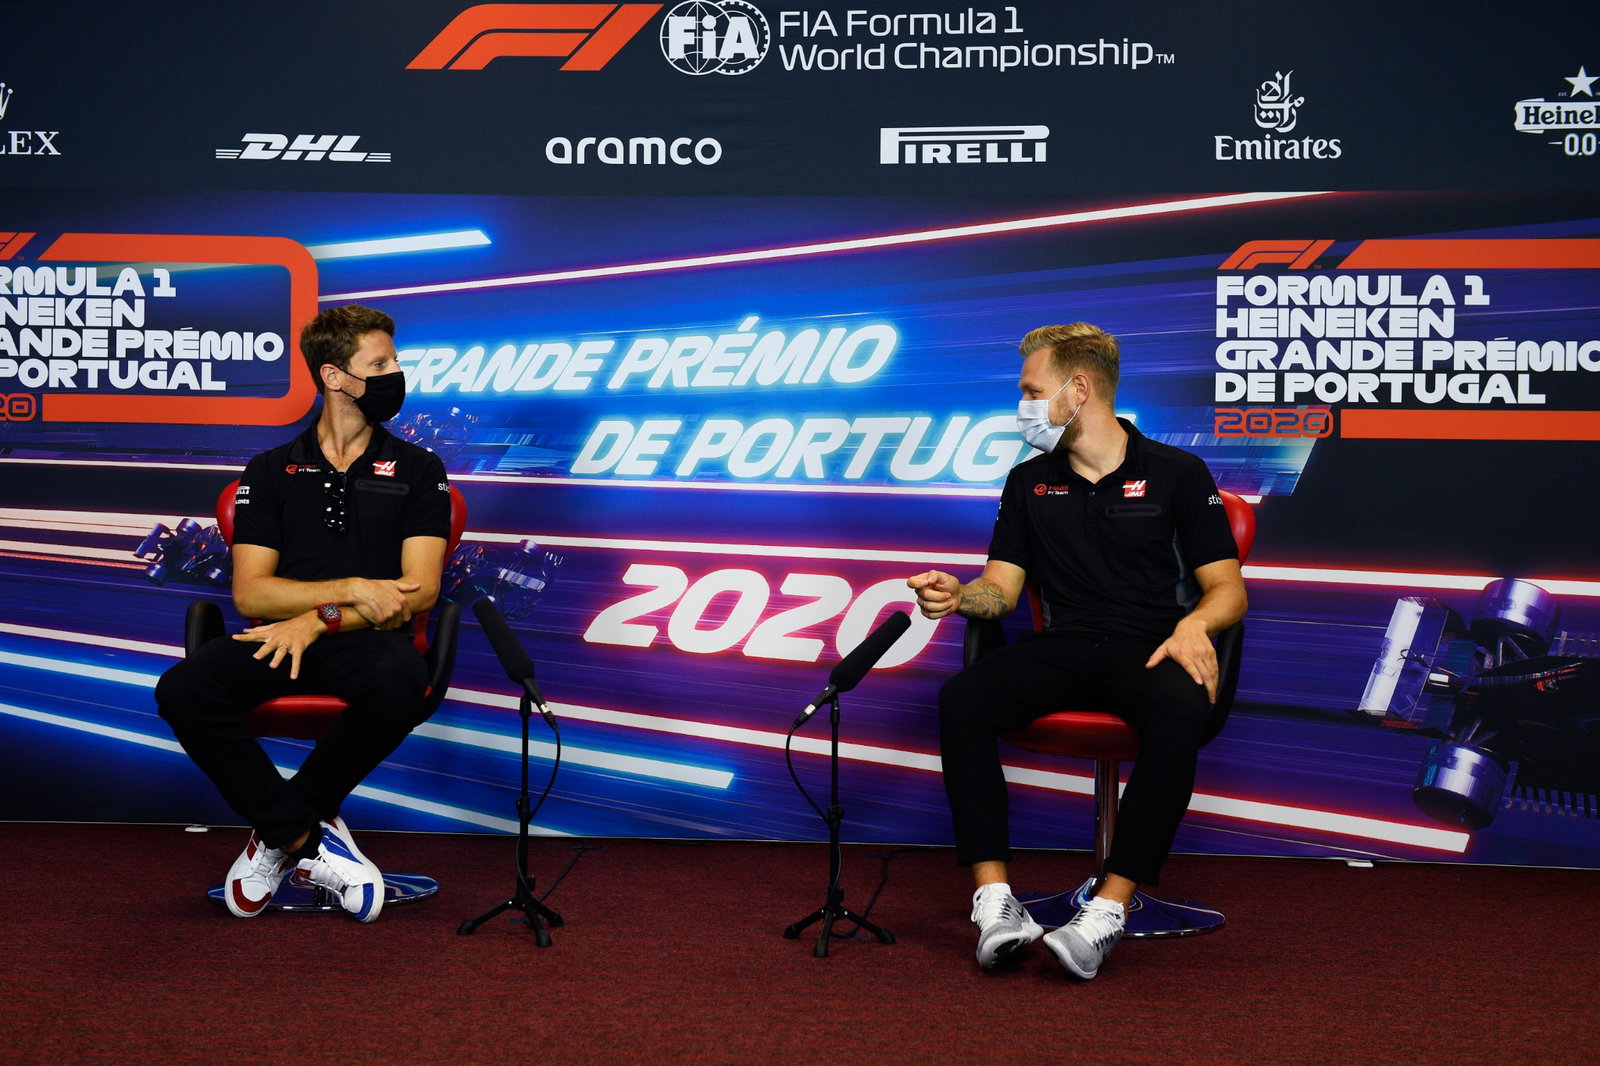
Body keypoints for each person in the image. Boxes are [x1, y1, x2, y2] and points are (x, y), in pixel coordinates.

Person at [907, 323, 1246, 978]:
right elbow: (1001, 591)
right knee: (962, 698)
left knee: (1179, 709)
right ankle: (996, 903)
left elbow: (1228, 590)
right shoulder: (1029, 482)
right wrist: (960, 596)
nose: (1023, 406)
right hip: (1062, 647)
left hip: (1150, 648)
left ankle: (1107, 911)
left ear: (1079, 388)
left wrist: (1195, 625)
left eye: (1032, 391)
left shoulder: (1178, 473)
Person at [157, 304, 452, 922]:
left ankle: (276, 837)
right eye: (380, 364)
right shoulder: (270, 470)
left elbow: (419, 591)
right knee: (182, 689)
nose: (396, 374)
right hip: (278, 638)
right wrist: (351, 587)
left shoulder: (420, 469)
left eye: (394, 361)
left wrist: (319, 617)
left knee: (400, 683)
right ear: (334, 376)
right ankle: (303, 836)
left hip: (368, 640)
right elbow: (252, 595)